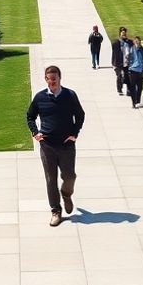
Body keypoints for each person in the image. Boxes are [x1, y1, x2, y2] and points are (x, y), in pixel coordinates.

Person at [26, 65, 86, 226]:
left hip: (66, 146)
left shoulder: (70, 95)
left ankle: (66, 194)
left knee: (69, 177)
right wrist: (35, 132)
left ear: (60, 78)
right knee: (50, 179)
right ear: (46, 79)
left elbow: (80, 115)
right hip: (47, 146)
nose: (52, 82)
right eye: (49, 79)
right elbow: (30, 116)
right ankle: (55, 211)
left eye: (54, 79)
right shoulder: (40, 97)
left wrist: (75, 133)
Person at [110, 26, 131, 96]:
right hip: (119, 63)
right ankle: (119, 89)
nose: (124, 35)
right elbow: (114, 54)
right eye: (122, 34)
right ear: (120, 34)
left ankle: (128, 90)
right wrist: (113, 64)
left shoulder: (129, 42)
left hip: (127, 62)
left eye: (125, 34)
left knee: (128, 76)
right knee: (120, 76)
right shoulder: (116, 43)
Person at [126, 36, 143, 108]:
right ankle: (133, 103)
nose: (138, 43)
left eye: (139, 41)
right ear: (134, 42)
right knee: (133, 88)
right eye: (136, 41)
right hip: (133, 71)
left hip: (140, 71)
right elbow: (127, 58)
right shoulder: (131, 49)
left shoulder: (142, 49)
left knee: (140, 88)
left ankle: (137, 101)